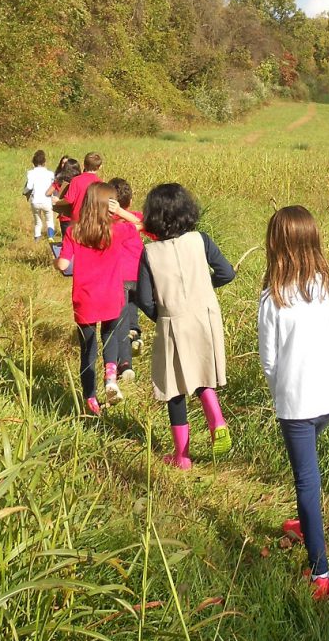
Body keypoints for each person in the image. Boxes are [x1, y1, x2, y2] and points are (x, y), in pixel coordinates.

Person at [257, 206, 329, 602]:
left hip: (294, 405)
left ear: (275, 245)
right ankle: (304, 525)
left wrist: (280, 390)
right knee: (308, 474)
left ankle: (321, 573)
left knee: (306, 483)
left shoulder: (273, 298)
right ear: (314, 241)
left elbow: (268, 361)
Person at [136, 183, 235, 469]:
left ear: (153, 216)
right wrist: (204, 288)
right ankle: (217, 420)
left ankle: (182, 456)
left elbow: (143, 299)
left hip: (172, 319)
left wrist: (162, 315)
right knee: (202, 373)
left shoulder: (149, 253)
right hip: (205, 315)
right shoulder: (201, 240)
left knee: (175, 387)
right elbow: (227, 273)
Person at [55, 182, 142, 415]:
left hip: (85, 300)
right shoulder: (117, 230)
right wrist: (122, 213)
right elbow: (142, 225)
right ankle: (111, 378)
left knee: (88, 351)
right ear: (109, 206)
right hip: (111, 297)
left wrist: (56, 260)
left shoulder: (74, 231)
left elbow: (63, 264)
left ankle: (91, 401)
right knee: (111, 337)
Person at [107, 177, 145, 382]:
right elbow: (149, 225)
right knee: (132, 308)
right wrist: (125, 214)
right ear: (130, 202)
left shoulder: (107, 223)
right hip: (139, 274)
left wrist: (117, 213)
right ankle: (136, 334)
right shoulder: (135, 217)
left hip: (118, 276)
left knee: (119, 320)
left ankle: (125, 364)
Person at [55, 151, 103, 225]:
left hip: (76, 220)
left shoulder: (76, 180)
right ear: (99, 167)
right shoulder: (100, 183)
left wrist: (57, 202)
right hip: (92, 220)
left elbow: (69, 200)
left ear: (83, 164)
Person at [23, 150, 56, 242]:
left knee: (38, 221)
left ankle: (37, 238)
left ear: (33, 163)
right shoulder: (50, 173)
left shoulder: (31, 173)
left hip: (35, 201)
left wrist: (24, 192)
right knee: (49, 220)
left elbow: (29, 187)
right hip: (47, 200)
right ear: (44, 162)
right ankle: (50, 237)